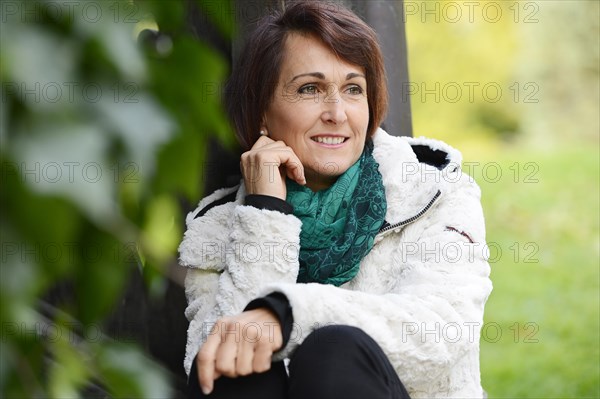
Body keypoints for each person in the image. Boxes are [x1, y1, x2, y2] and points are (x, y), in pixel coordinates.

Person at [178, 1, 492, 398]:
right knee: (236, 366)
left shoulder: (434, 191)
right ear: (262, 113)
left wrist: (288, 314)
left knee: (334, 351)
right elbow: (212, 367)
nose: (337, 112)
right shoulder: (217, 228)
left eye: (352, 89)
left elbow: (440, 335)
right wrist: (264, 214)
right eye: (310, 89)